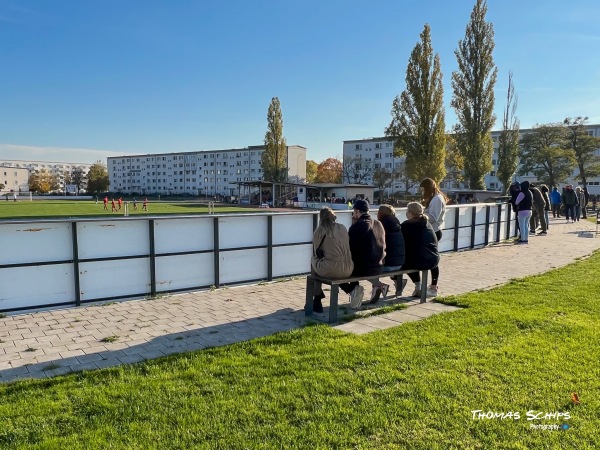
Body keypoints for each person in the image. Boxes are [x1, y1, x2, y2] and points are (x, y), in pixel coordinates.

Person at [340, 199, 385, 309]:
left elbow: (350, 248)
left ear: (356, 211)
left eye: (353, 211)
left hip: (364, 267)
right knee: (358, 261)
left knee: (339, 271)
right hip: (379, 264)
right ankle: (377, 284)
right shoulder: (378, 223)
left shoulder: (357, 226)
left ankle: (353, 291)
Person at [310, 207, 354, 313]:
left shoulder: (319, 232)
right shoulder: (343, 228)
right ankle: (349, 289)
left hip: (331, 269)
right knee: (335, 267)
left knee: (313, 262)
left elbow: (317, 253)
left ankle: (317, 298)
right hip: (348, 268)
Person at [400, 202, 440, 297]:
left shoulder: (406, 225)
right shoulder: (427, 224)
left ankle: (418, 285)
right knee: (426, 255)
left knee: (405, 262)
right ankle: (433, 287)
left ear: (410, 213)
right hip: (434, 260)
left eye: (407, 211)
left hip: (417, 261)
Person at [368, 204, 405, 303]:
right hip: (399, 264)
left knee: (367, 266)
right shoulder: (397, 225)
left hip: (387, 265)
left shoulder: (380, 225)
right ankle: (398, 281)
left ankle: (378, 285)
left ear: (380, 214)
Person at [419, 177, 446, 297]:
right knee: (431, 258)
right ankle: (432, 285)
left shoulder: (437, 200)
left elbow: (433, 217)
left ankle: (434, 286)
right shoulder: (435, 198)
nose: (422, 193)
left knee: (432, 259)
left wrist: (421, 215)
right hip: (433, 231)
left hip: (434, 231)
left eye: (423, 190)